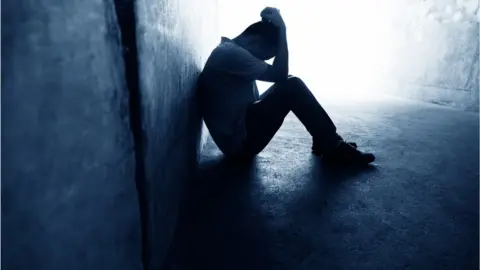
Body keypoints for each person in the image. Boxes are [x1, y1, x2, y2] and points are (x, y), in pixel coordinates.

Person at [198, 7, 375, 166]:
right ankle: (333, 146)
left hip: (239, 135)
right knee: (291, 85)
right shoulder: (232, 54)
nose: (261, 62)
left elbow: (280, 77)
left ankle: (324, 140)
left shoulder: (227, 50)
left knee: (289, 81)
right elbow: (279, 75)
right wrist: (282, 29)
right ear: (254, 42)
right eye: (263, 56)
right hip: (241, 144)